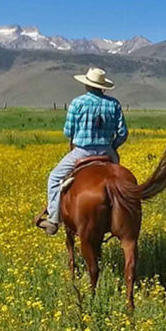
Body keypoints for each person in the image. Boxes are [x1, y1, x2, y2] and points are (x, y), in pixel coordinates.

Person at [38, 68, 128, 236]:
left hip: (82, 152)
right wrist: (112, 147)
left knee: (55, 177)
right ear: (103, 87)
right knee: (120, 182)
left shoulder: (77, 103)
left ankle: (53, 219)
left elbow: (68, 131)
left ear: (87, 85)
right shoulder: (114, 104)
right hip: (107, 152)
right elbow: (123, 133)